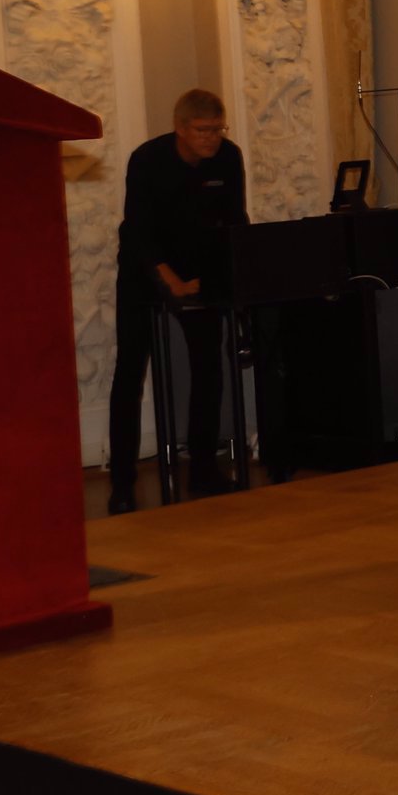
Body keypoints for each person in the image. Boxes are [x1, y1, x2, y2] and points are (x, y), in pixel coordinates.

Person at [107, 89, 248, 514]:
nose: (212, 140)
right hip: (144, 271)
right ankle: (122, 484)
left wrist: (229, 275)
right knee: (130, 371)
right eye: (203, 131)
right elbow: (138, 231)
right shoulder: (147, 160)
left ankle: (204, 469)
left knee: (209, 363)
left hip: (199, 270)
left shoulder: (228, 157)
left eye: (217, 130)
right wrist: (169, 281)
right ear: (180, 128)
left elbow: (233, 220)